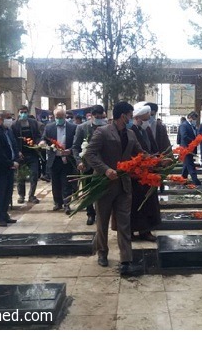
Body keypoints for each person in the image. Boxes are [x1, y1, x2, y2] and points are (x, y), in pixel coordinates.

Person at [84, 101, 145, 276]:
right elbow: (89, 154)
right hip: (104, 184)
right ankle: (102, 252)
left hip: (124, 185)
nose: (132, 118)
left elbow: (140, 154)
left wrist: (158, 161)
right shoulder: (102, 132)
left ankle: (126, 258)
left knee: (125, 223)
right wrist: (105, 170)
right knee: (102, 221)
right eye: (130, 115)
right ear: (123, 116)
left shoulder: (131, 134)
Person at [129, 103, 160, 242]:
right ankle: (130, 231)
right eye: (147, 118)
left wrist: (158, 160)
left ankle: (145, 231)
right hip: (135, 174)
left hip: (148, 172)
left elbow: (152, 148)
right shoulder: (131, 131)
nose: (149, 121)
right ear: (138, 118)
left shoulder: (146, 130)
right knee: (134, 204)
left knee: (148, 203)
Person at [72, 105, 107, 225]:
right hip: (87, 165)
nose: (98, 119)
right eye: (96, 117)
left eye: (101, 117)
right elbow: (75, 147)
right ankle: (90, 213)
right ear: (91, 116)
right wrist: (79, 161)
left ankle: (102, 214)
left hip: (103, 165)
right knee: (88, 191)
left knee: (102, 191)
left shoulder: (107, 127)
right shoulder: (82, 128)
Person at [41, 107, 77, 214]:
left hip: (67, 159)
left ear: (65, 116)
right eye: (57, 117)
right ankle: (57, 202)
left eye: (61, 117)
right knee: (55, 182)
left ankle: (67, 203)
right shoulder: (49, 127)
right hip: (54, 158)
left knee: (66, 182)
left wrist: (70, 151)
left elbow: (76, 143)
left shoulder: (73, 127)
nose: (59, 119)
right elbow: (44, 138)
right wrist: (42, 142)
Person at [12, 105, 42, 204]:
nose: (23, 114)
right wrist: (17, 151)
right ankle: (21, 195)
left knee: (34, 174)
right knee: (21, 176)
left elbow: (38, 135)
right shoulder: (14, 125)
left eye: (25, 112)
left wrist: (37, 143)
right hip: (21, 154)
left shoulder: (33, 123)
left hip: (33, 153)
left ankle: (32, 195)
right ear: (18, 113)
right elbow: (13, 140)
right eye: (21, 112)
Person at [178, 111, 201, 185]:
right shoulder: (184, 125)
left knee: (186, 164)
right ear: (189, 117)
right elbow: (184, 136)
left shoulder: (192, 126)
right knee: (190, 164)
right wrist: (193, 141)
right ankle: (195, 181)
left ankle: (183, 179)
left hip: (191, 148)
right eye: (194, 119)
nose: (195, 120)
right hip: (186, 148)